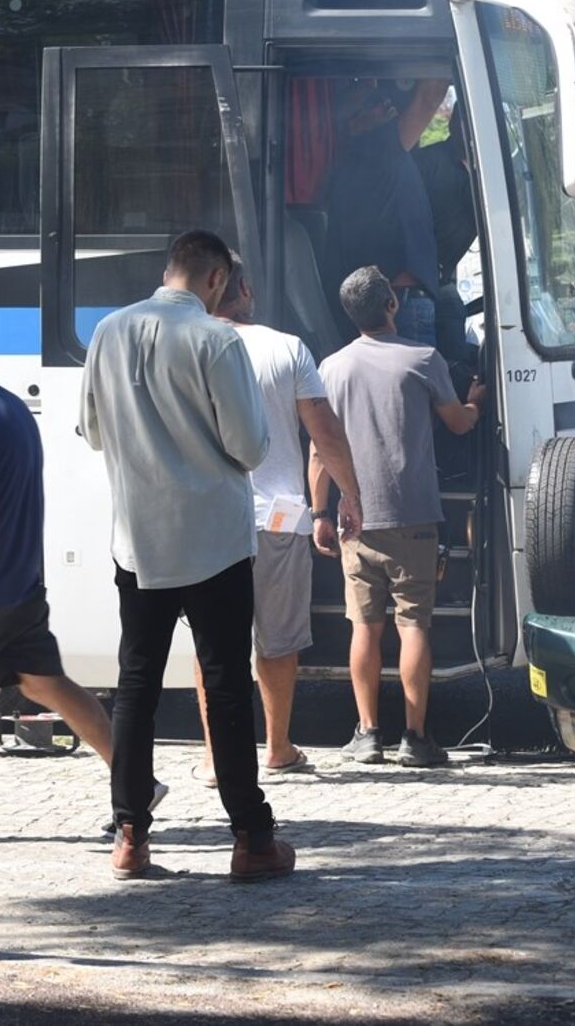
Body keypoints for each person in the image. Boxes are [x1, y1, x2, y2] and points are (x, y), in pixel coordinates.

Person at [80, 229, 294, 883]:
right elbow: (249, 447)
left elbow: (92, 432)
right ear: (215, 280)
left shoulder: (108, 331)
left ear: (170, 267)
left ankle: (130, 836)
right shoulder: (216, 340)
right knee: (226, 688)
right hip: (213, 541)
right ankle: (251, 839)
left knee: (136, 686)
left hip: (138, 540)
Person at [0, 309, 170, 815]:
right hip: (19, 585)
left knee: (47, 684)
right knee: (46, 683)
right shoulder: (8, 405)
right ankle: (137, 782)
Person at [190, 253, 362, 785]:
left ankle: (215, 757)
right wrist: (349, 494)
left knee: (213, 643)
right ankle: (278, 746)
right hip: (280, 518)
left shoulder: (185, 346)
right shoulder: (287, 348)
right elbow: (323, 431)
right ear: (245, 290)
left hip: (206, 521)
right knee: (278, 640)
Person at [311, 266, 486, 767]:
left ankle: (368, 735)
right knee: (413, 626)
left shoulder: (331, 368)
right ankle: (415, 738)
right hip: (414, 516)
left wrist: (321, 512)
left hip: (356, 520)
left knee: (364, 628)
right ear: (392, 305)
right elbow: (458, 424)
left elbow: (320, 450)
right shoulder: (424, 359)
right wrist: (475, 403)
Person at [322, 77, 450, 346]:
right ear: (353, 121)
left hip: (392, 304)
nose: (387, 105)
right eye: (374, 103)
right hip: (401, 305)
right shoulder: (376, 147)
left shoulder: (350, 162)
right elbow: (429, 98)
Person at [411, 99, 477, 367]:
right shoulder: (426, 163)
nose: (469, 129)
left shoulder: (488, 172)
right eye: (463, 121)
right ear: (452, 124)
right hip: (415, 286)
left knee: (457, 362)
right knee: (424, 369)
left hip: (445, 281)